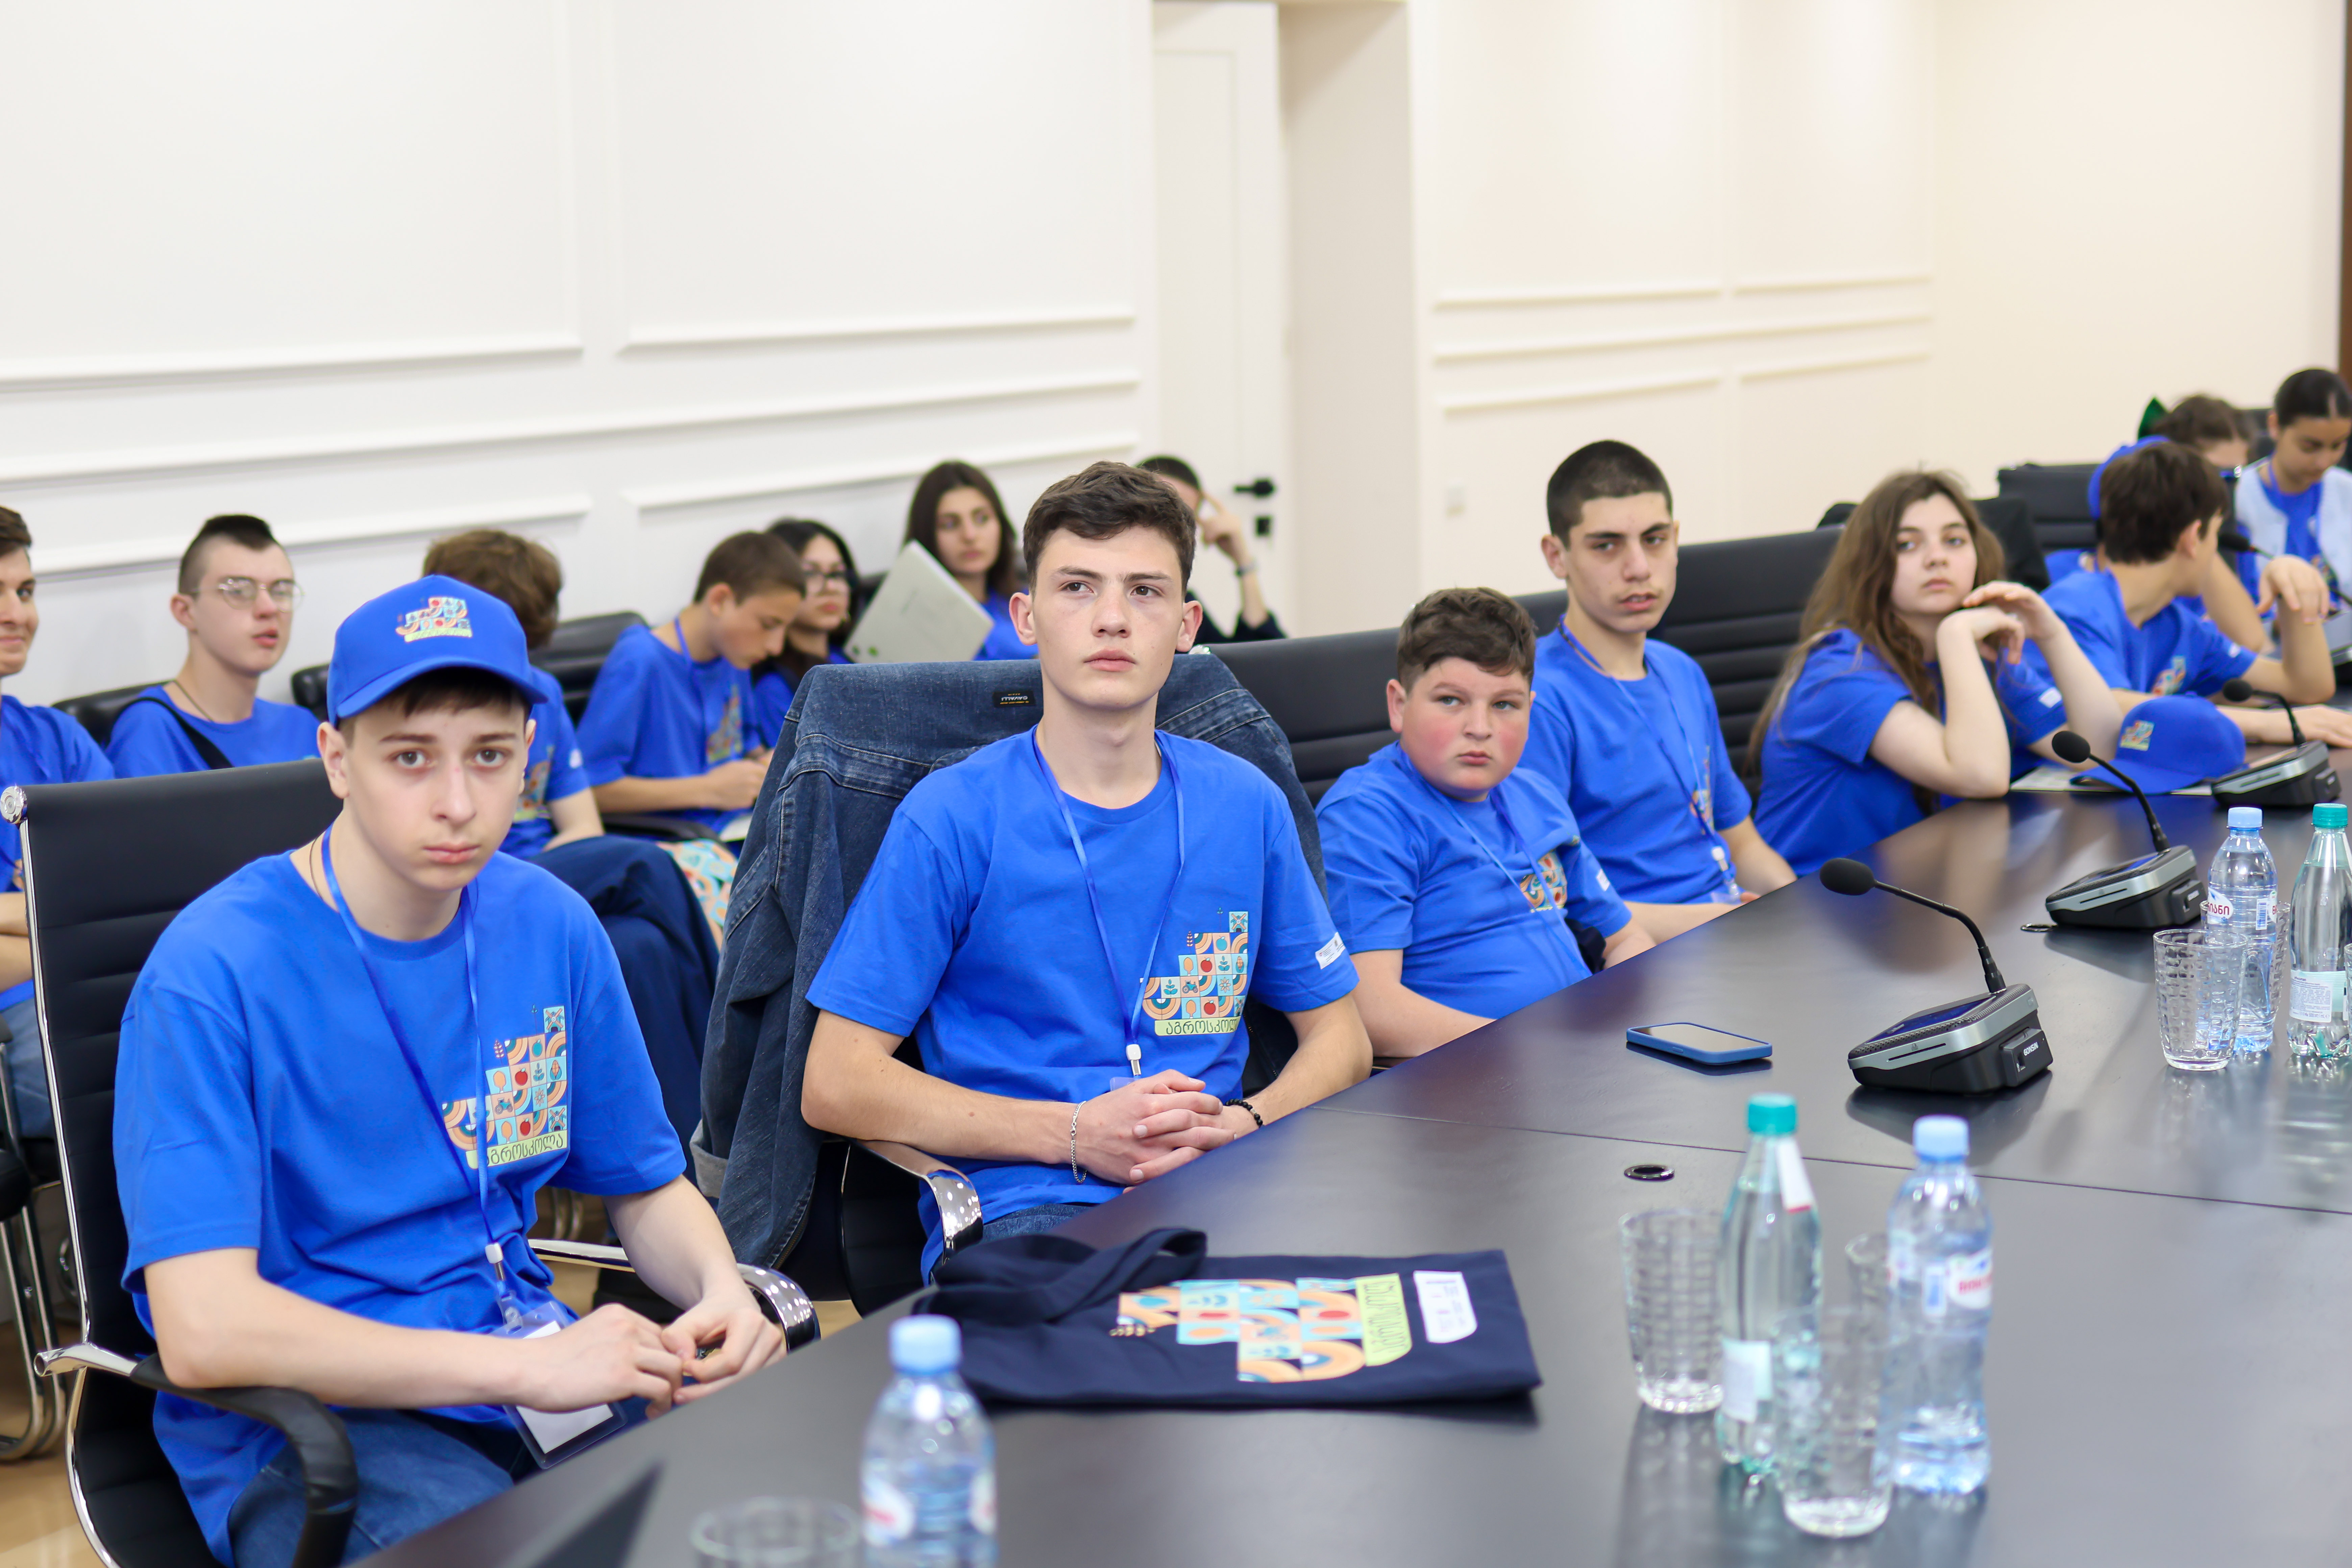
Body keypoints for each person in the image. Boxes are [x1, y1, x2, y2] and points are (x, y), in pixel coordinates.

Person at [114, 577, 783, 1567]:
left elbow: (644, 1187)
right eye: (411, 757)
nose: (460, 802)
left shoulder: (549, 923)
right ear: (336, 758)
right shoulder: (213, 972)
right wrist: (528, 1368)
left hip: (526, 1366)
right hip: (310, 1420)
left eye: (491, 755)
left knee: (764, 1519)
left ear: (531, 753)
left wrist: (720, 1287)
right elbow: (205, 1328)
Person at [801, 461, 1371, 1274]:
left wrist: (1248, 1121)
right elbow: (836, 1081)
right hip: (1033, 1207)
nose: (1111, 618)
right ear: (1026, 617)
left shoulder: (1246, 803)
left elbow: (1340, 1035)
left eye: (1145, 591)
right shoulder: (950, 817)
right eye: (1077, 587)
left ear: (1187, 623)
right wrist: (1073, 1132)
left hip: (1229, 1182)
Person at [1316, 588, 1654, 1060]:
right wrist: (1540, 1048)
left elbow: (1626, 936)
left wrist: (1620, 1015)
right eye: (1451, 700)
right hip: (1469, 1075)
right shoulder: (1367, 817)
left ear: (1531, 708)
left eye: (1505, 705)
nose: (1480, 727)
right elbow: (1371, 1009)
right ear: (1399, 705)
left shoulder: (1536, 795)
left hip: (1581, 1060)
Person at [1752, 470, 2123, 877]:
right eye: (1907, 545)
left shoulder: (1982, 658)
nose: (1936, 558)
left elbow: (2101, 752)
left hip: (1925, 884)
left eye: (1955, 540)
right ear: (1870, 564)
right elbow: (1981, 776)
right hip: (1821, 898)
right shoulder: (1839, 671)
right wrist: (1955, 635)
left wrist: (2051, 633)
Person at [1518, 441, 1795, 941]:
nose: (1639, 568)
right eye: (1607, 545)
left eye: (1655, 539)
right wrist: (1723, 923)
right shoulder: (1536, 698)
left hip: (1729, 928)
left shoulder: (1680, 670)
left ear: (1676, 540)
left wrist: (1801, 912)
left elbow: (1743, 845)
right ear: (1557, 556)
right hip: (1636, 952)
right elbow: (1553, 902)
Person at [2046, 439, 2349, 747]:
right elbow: (2107, 709)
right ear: (2193, 539)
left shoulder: (2179, 626)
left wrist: (2294, 591)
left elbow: (2306, 688)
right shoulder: (2074, 607)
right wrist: (2265, 724)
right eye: (2215, 534)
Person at [0, 507, 111, 1138]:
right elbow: (87, 916)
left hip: (97, 993)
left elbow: (123, 895)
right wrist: (61, 913)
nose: (16, 613)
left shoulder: (57, 739)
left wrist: (19, 916)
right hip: (20, 1027)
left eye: (25, 591)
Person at [577, 533, 802, 835]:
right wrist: (708, 790)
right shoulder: (640, 660)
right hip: (668, 839)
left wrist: (764, 765)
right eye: (768, 625)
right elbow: (591, 790)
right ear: (720, 600)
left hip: (731, 829)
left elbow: (747, 746)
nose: (776, 646)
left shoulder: (734, 655)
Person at [420, 531, 599, 859]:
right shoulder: (416, 701)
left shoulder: (545, 692)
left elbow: (584, 825)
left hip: (545, 866)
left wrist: (541, 878)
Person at [105, 515, 319, 776]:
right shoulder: (150, 731)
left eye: (281, 591)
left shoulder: (301, 726)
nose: (269, 608)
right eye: (238, 590)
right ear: (186, 612)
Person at [2235, 367, 2352, 652]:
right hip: (2268, 653)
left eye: (2338, 446)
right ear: (2275, 426)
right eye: (2310, 447)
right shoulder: (2236, 499)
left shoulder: (2345, 490)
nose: (2324, 461)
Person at [1136, 455, 1284, 643]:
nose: (1168, 526)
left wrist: (1243, 561)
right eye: (1160, 509)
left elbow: (1259, 653)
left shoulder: (1183, 605)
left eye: (1184, 518)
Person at [906, 459, 1031, 660]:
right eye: (950, 524)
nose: (970, 535)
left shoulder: (1028, 601)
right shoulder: (910, 625)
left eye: (982, 519)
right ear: (926, 534)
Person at [750, 518, 857, 746]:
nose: (830, 587)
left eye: (838, 574)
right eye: (811, 574)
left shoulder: (848, 661)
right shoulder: (774, 688)